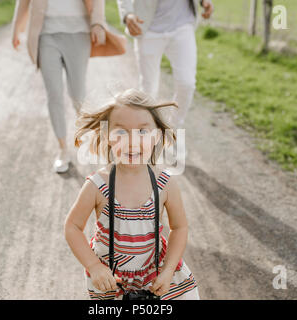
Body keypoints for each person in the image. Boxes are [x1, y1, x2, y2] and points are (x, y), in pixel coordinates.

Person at [65, 89, 200, 300]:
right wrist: (94, 266)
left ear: (157, 136)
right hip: (111, 278)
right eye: (120, 132)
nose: (132, 141)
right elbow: (72, 227)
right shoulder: (98, 185)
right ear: (107, 136)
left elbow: (179, 227)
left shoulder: (165, 184)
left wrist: (168, 270)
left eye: (142, 132)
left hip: (156, 271)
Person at [12, 0, 107, 173]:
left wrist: (98, 22)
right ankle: (63, 149)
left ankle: (87, 138)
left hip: (79, 33)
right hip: (46, 33)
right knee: (54, 94)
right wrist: (16, 29)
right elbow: (23, 2)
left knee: (78, 94)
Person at [116, 0, 214, 129]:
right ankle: (148, 132)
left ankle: (172, 129)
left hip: (182, 26)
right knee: (148, 88)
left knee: (187, 83)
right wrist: (127, 14)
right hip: (148, 27)